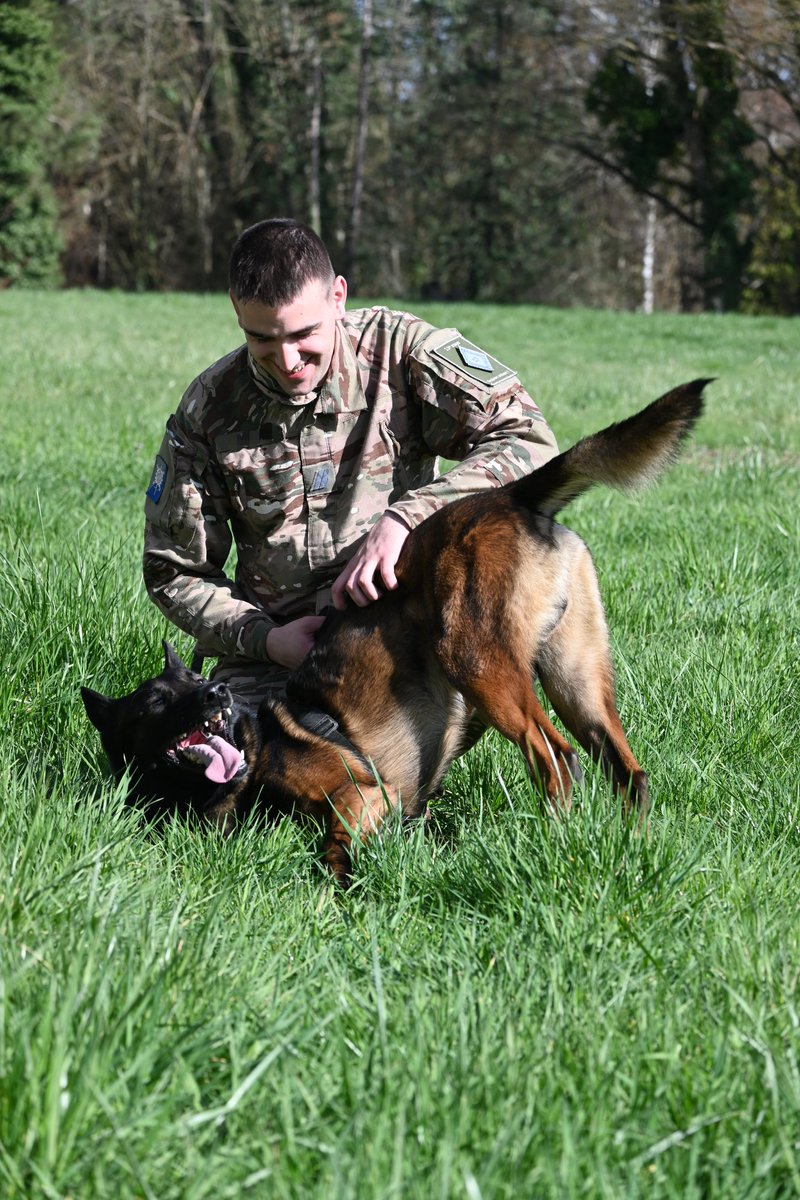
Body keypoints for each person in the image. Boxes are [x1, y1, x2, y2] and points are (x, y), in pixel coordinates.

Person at [143, 218, 560, 705]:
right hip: (280, 656)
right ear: (236, 309)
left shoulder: (399, 352)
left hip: (410, 630)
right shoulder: (210, 407)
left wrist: (407, 518)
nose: (288, 360)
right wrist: (266, 638)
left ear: (338, 296)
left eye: (304, 334)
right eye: (262, 339)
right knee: (238, 752)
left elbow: (529, 439)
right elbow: (175, 571)